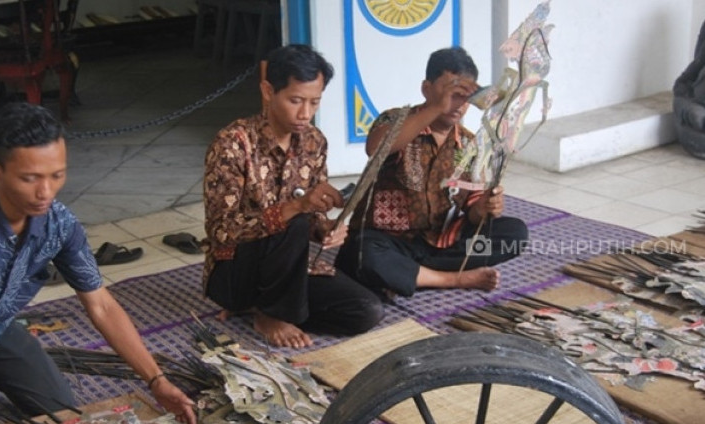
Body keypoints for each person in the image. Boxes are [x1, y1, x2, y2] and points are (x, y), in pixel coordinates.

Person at [0, 102, 196, 424]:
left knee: (62, 415)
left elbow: (102, 307)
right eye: (30, 178)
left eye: (57, 175)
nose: (46, 192)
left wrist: (157, 381)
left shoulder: (60, 224)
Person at [203, 44, 384, 349]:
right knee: (294, 221)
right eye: (295, 100)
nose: (305, 114)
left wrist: (325, 227)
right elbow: (223, 231)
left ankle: (276, 309)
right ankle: (270, 314)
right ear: (267, 91)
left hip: (289, 272)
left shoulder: (314, 142)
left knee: (366, 311)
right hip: (235, 271)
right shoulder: (232, 143)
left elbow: (312, 217)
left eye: (315, 102)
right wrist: (296, 208)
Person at [336, 47, 528, 297]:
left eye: (464, 96)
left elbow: (471, 211)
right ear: (427, 89)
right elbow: (377, 148)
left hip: (439, 245)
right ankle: (451, 279)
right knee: (364, 255)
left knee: (513, 234)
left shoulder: (470, 145)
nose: (456, 104)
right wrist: (436, 108)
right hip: (387, 242)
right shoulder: (397, 119)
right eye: (450, 93)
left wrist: (483, 209)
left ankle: (414, 275)